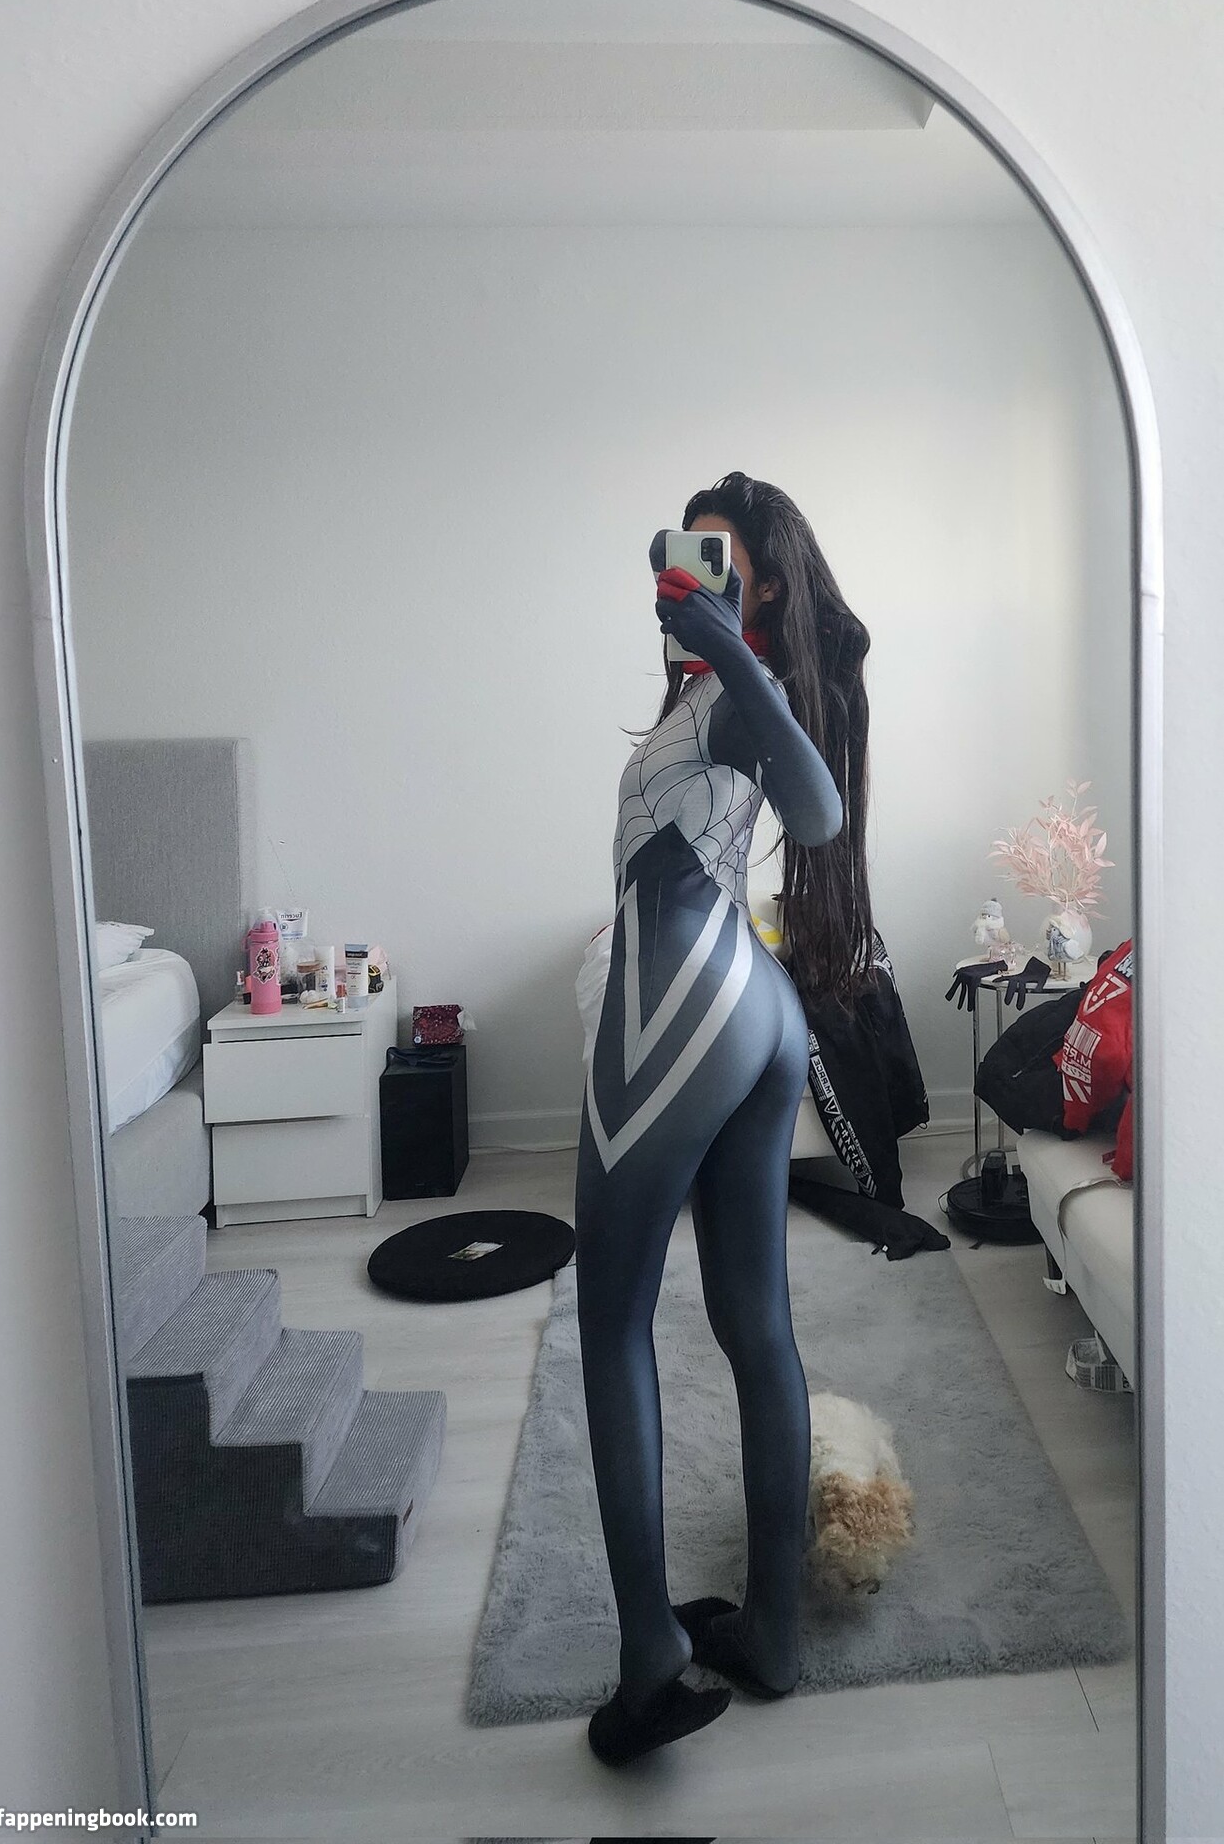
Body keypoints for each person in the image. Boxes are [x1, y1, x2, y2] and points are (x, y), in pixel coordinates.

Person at [576, 470, 867, 1766]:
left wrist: (726, 650)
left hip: (676, 1004)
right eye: (680, 553)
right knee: (756, 1327)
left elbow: (818, 813)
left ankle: (651, 1661)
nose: (685, 574)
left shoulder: (739, 690)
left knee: (611, 1324)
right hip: (752, 1006)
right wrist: (716, 655)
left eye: (717, 559)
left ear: (760, 584)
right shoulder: (707, 698)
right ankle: (771, 1636)